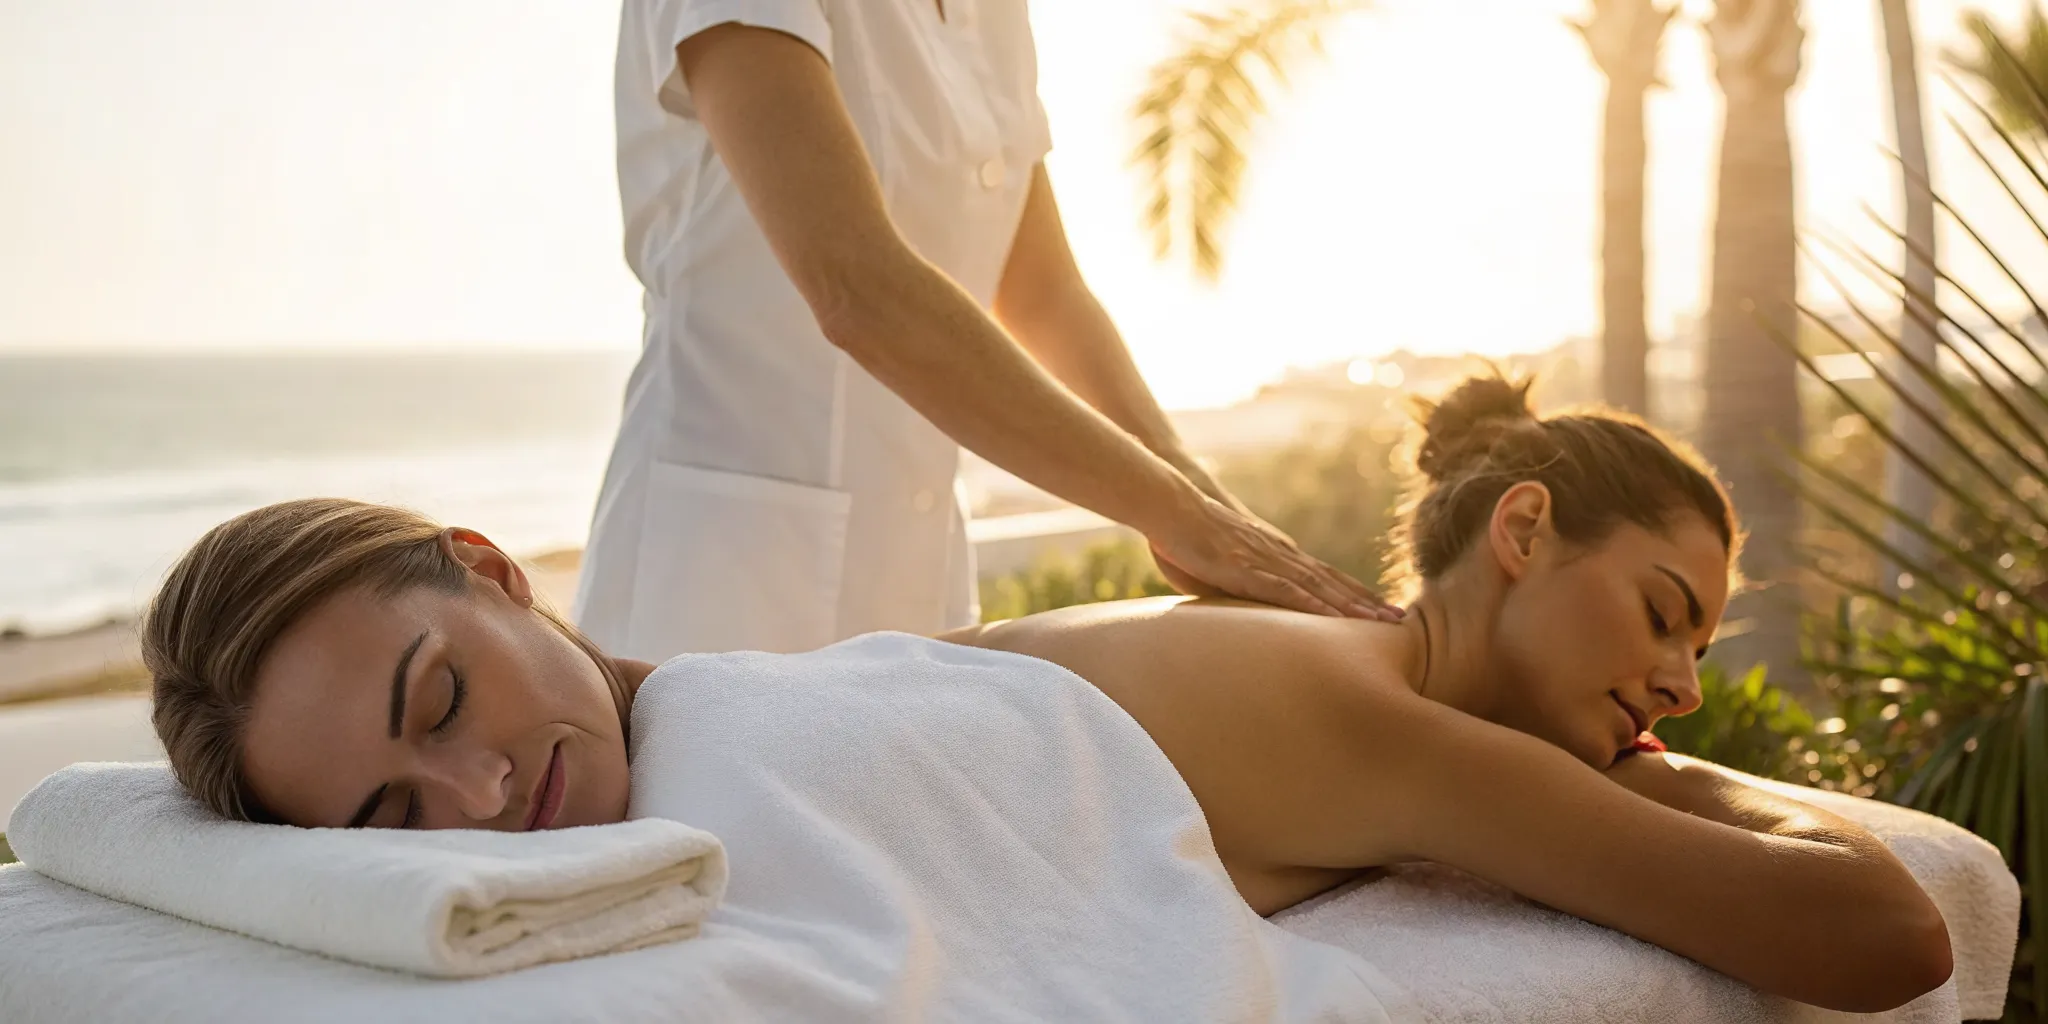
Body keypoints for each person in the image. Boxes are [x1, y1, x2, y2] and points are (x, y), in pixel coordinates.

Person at [147, 376, 1951, 1012]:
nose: (479, 803)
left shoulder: (1371, 718)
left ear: (491, 570)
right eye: (387, 817)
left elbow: (1886, 932)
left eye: (439, 704)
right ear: (1523, 529)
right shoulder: (1354, 699)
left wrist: (1655, 777)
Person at [579, 0, 1391, 661]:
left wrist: (1205, 503)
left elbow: (1043, 293)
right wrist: (1174, 511)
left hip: (920, 578)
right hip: (720, 588)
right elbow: (856, 284)